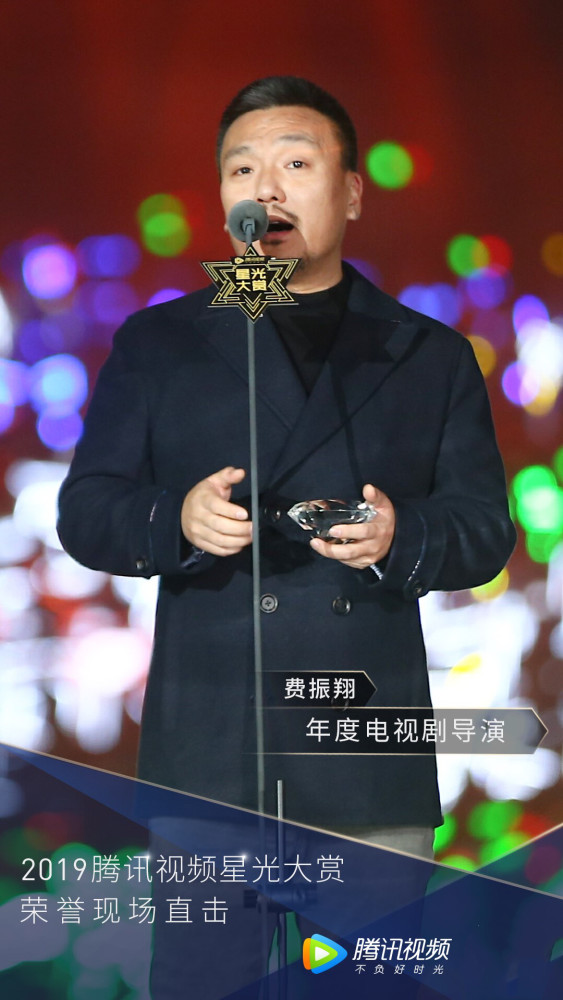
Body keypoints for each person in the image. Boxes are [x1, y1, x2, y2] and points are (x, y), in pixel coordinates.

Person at [57, 76, 516, 861]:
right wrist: (177, 520)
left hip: (363, 758)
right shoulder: (159, 343)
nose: (265, 188)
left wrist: (400, 535)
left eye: (295, 165)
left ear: (352, 193)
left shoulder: (428, 353)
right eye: (242, 169)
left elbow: (482, 530)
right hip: (211, 758)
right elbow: (87, 511)